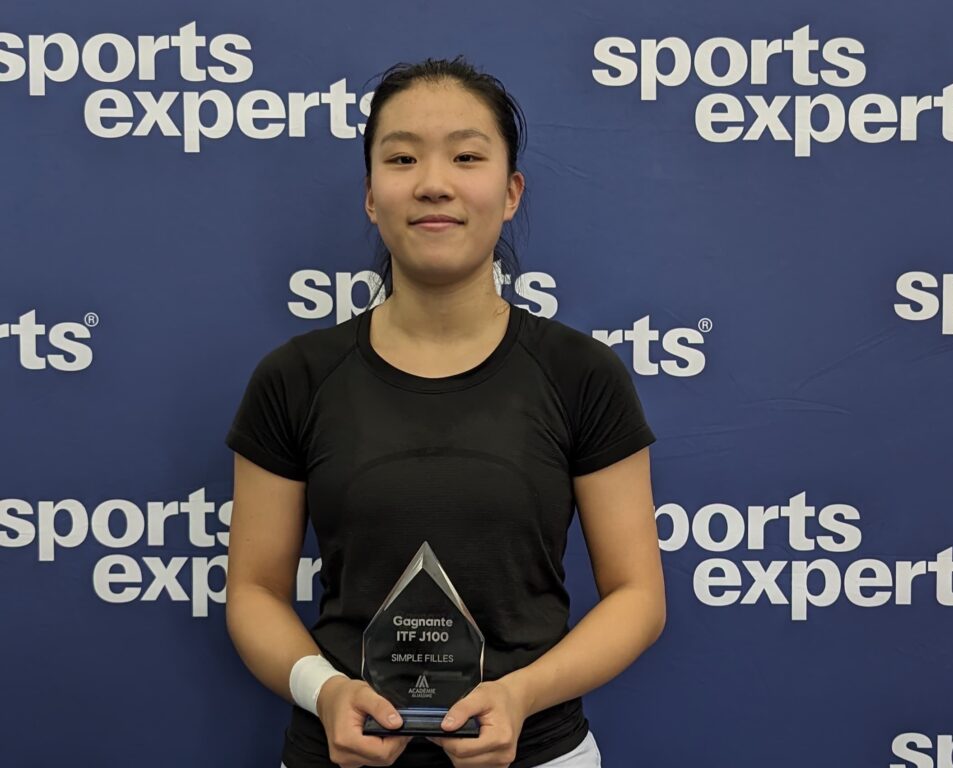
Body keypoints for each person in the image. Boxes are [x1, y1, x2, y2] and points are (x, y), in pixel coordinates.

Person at [224, 56, 665, 768]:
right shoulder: (295, 379)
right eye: (401, 158)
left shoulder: (582, 375)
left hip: (538, 751)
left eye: (466, 155)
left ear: (511, 191)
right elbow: (252, 591)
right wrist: (325, 690)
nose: (433, 183)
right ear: (371, 195)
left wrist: (521, 695)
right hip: (339, 753)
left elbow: (638, 597)